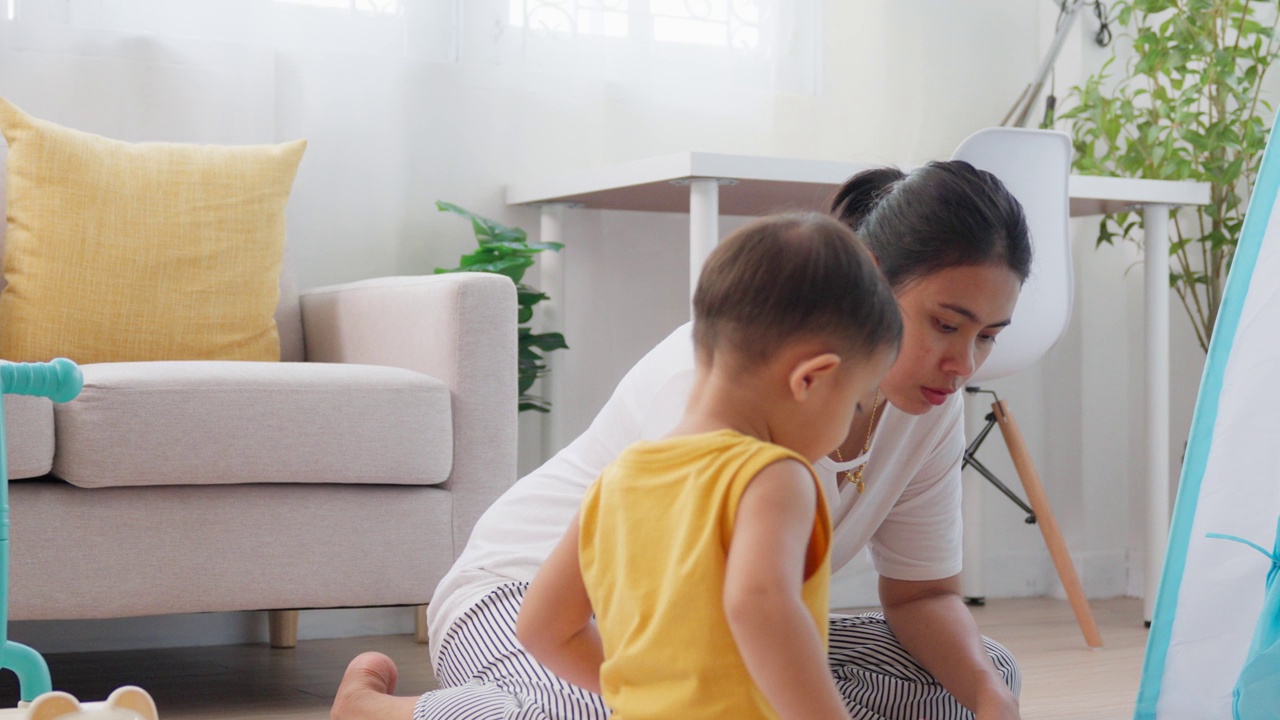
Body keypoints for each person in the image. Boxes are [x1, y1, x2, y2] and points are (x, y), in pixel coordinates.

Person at [332, 159, 1031, 720]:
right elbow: (737, 610)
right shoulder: (727, 420)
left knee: (985, 671)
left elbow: (918, 597)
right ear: (871, 288)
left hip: (665, 634)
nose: (965, 365)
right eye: (947, 325)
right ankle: (392, 714)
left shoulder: (928, 401)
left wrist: (984, 696)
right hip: (515, 597)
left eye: (989, 338)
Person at [515, 212, 903, 719]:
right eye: (855, 404)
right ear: (811, 379)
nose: (851, 424)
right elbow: (759, 604)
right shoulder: (772, 475)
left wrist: (643, 698)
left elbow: (541, 629)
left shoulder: (617, 479)